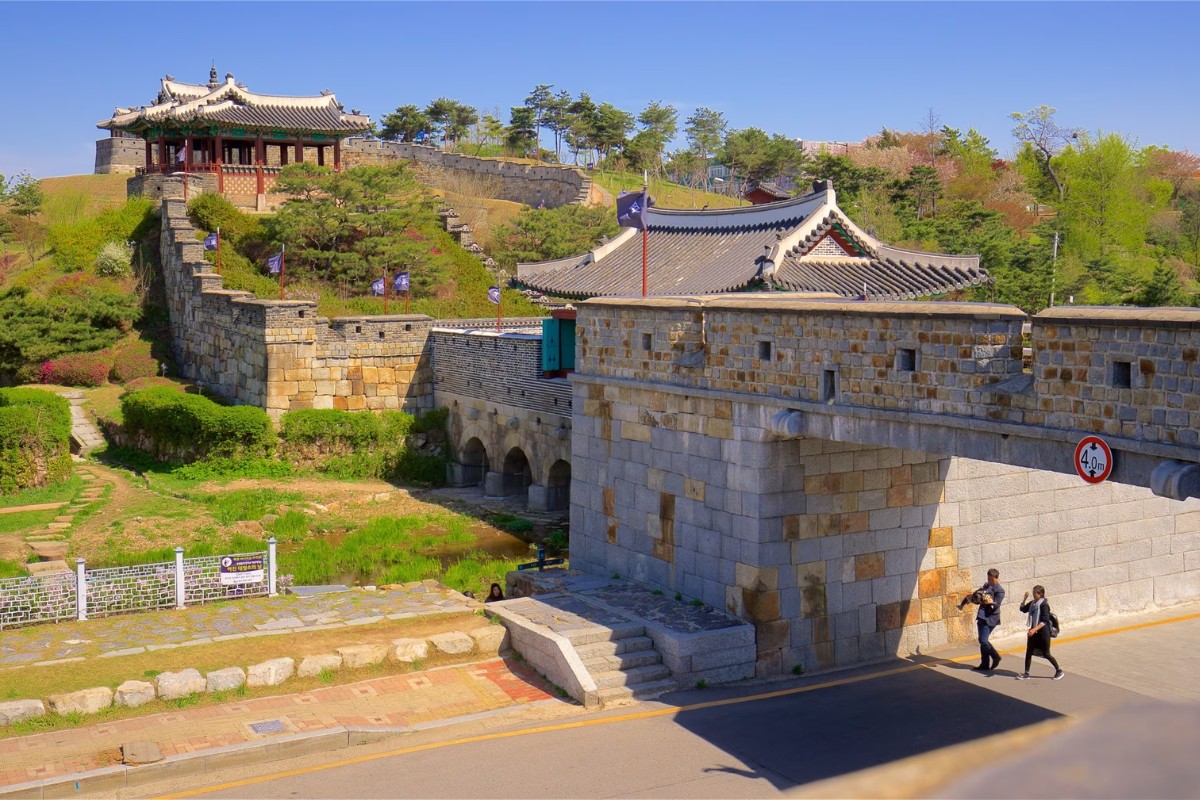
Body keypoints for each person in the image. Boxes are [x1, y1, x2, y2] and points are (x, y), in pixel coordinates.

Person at [959, 568, 1005, 671]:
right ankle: (985, 663)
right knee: (982, 640)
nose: (990, 581)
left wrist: (991, 603)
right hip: (982, 615)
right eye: (988, 579)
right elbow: (980, 596)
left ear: (997, 578)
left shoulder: (1000, 590)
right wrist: (973, 599)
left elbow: (997, 604)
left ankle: (995, 656)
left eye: (992, 579)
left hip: (991, 617)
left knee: (983, 641)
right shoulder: (986, 585)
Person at [1017, 585, 1064, 680]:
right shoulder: (1033, 603)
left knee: (1046, 654)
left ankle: (1059, 671)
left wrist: (1034, 629)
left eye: (1035, 593)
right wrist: (1024, 599)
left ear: (1041, 594)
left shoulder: (1044, 605)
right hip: (1034, 632)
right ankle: (1026, 673)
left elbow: (1045, 621)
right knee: (1029, 652)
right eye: (1033, 592)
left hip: (1043, 633)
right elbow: (1023, 609)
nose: (1034, 595)